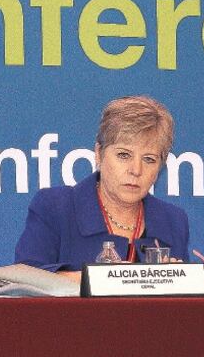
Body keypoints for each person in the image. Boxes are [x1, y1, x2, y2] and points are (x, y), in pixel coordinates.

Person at [15, 95, 190, 277]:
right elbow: (23, 279)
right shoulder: (56, 207)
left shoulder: (173, 221)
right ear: (99, 153)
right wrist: (89, 280)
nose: (136, 170)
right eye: (124, 155)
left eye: (149, 159)